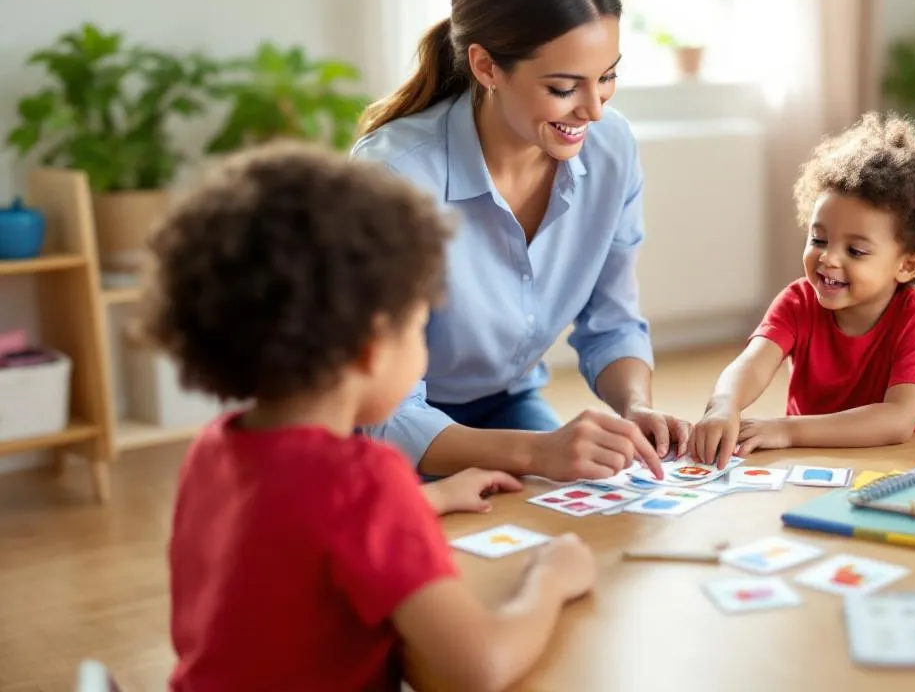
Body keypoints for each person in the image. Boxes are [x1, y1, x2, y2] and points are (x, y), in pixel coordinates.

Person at [143, 143, 596, 692]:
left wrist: (425, 500)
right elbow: (478, 669)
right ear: (370, 348)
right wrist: (550, 579)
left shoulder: (214, 449)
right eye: (420, 326)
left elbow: (292, 537)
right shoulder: (364, 481)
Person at [351, 0, 688, 482]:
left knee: (580, 514)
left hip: (504, 404)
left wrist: (635, 408)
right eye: (563, 88)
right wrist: (536, 453)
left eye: (607, 78)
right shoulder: (394, 177)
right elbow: (381, 413)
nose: (594, 111)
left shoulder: (611, 148)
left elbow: (611, 322)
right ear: (486, 68)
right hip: (382, 424)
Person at [691, 113, 915, 466]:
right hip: (814, 467)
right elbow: (750, 365)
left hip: (901, 470)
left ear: (907, 265)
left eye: (855, 251)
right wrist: (724, 404)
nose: (828, 259)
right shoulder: (797, 302)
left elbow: (897, 420)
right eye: (818, 239)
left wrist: (788, 431)